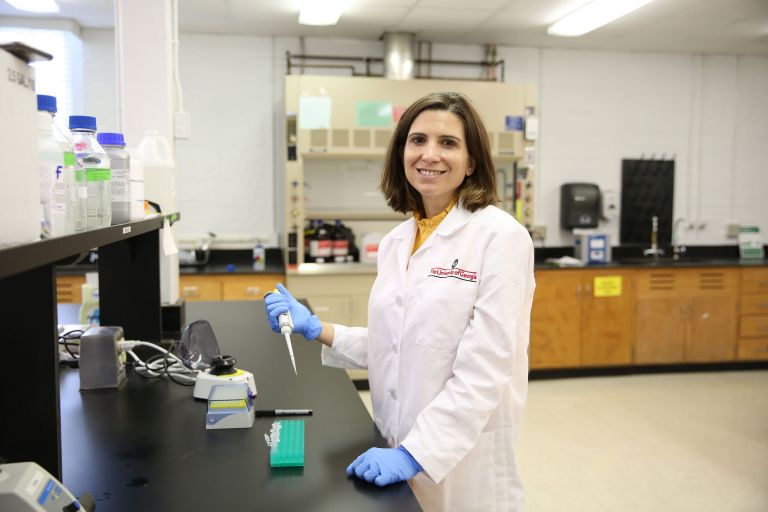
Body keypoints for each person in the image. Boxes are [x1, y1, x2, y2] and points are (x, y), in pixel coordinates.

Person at [265, 91, 535, 511]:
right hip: (395, 439)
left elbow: (485, 369)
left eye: (448, 143)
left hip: (462, 460)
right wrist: (320, 329)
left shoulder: (501, 237)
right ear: (402, 152)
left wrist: (416, 453)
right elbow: (397, 343)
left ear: (472, 161)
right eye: (417, 140)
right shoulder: (397, 242)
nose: (430, 154)